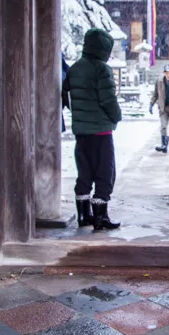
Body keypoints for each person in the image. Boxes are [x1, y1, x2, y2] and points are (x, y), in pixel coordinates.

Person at [63, 29, 122, 230]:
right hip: (101, 132)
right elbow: (108, 100)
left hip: (81, 131)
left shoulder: (74, 69)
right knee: (105, 172)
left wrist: (81, 115)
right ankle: (100, 217)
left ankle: (83, 215)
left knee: (85, 171)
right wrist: (116, 117)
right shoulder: (101, 69)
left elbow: (67, 98)